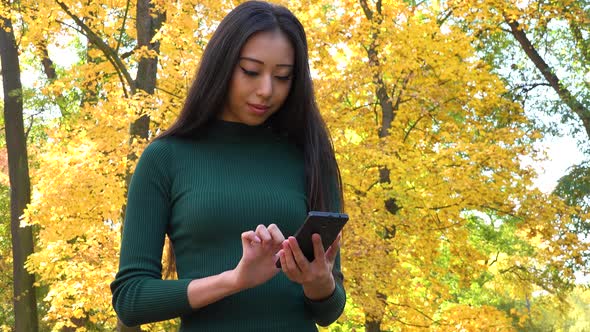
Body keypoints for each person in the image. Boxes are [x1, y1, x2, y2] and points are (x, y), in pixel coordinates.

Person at [110, 1, 346, 331]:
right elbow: (131, 298)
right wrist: (234, 280)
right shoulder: (165, 158)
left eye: (282, 77)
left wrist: (319, 283)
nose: (266, 90)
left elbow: (330, 310)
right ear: (221, 65)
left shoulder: (309, 155)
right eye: (250, 71)